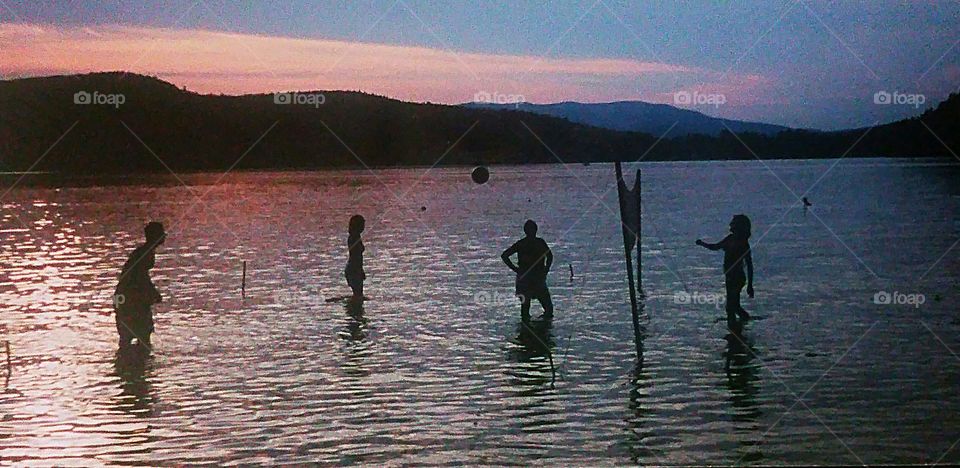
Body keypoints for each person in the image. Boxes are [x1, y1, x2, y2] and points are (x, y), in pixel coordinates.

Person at [696, 214, 754, 331]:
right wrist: (703, 244)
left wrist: (750, 285)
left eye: (733, 223)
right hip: (729, 277)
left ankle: (735, 331)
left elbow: (749, 265)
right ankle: (741, 324)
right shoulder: (729, 239)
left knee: (730, 306)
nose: (730, 225)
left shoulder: (743, 244)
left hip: (737, 278)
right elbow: (716, 247)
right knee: (734, 306)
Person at [115, 222, 165, 349]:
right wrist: (153, 293)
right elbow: (140, 276)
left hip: (123, 297)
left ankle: (130, 364)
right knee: (142, 337)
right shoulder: (146, 254)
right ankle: (141, 364)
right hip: (129, 298)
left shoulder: (143, 252)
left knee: (128, 338)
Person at [501, 220, 554, 320]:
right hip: (533, 279)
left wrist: (516, 270)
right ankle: (538, 329)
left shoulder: (524, 243)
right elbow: (550, 256)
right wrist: (546, 269)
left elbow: (504, 256)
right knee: (546, 308)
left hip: (529, 278)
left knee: (526, 308)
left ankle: (529, 329)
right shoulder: (538, 243)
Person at [345, 215, 366, 300]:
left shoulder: (355, 237)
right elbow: (355, 256)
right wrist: (359, 270)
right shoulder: (353, 237)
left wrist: (361, 270)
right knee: (358, 295)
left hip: (355, 269)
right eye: (362, 224)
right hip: (353, 270)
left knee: (358, 295)